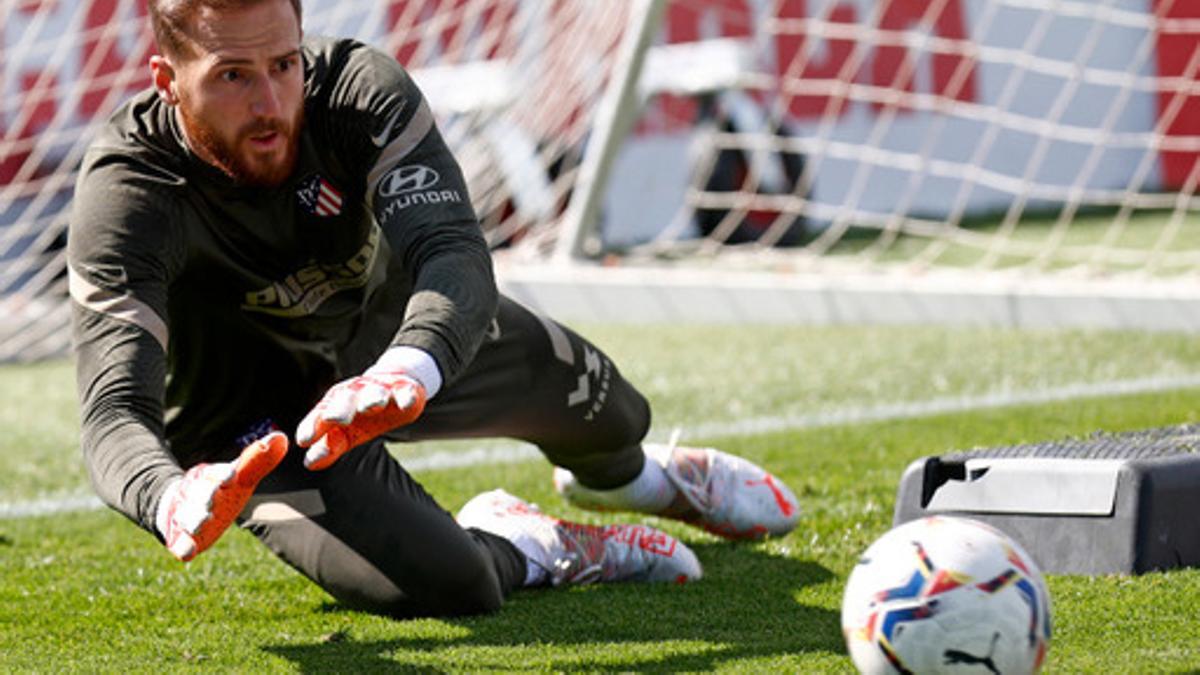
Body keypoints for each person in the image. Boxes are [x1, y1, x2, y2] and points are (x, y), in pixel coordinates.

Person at [68, 0, 799, 619]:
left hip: (389, 348)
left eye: (283, 65)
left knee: (611, 409)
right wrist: (166, 496)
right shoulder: (130, 192)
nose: (269, 104)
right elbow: (112, 412)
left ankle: (629, 479)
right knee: (456, 588)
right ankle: (530, 541)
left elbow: (452, 250)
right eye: (232, 76)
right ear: (167, 81)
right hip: (260, 431)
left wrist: (412, 363)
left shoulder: (356, 91)